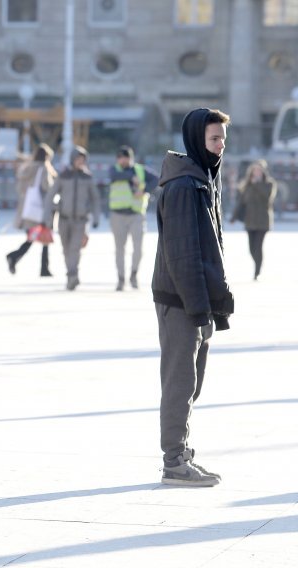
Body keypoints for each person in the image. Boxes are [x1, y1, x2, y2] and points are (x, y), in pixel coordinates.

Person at [153, 108, 234, 486]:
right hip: (181, 299)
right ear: (196, 141)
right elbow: (183, 253)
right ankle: (173, 461)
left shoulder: (201, 178)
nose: (221, 147)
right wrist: (201, 308)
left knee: (191, 383)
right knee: (180, 382)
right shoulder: (185, 186)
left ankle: (181, 452)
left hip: (196, 298)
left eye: (222, 139)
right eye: (214, 139)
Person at [44, 145, 101, 291]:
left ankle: (72, 276)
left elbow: (95, 198)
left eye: (83, 159)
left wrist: (96, 218)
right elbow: (50, 195)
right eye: (78, 159)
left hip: (80, 220)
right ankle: (71, 274)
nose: (80, 162)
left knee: (75, 248)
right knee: (66, 249)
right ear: (72, 159)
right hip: (63, 219)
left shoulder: (88, 177)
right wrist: (48, 218)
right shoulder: (63, 175)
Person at [108, 145, 155, 291]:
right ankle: (121, 279)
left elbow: (157, 179)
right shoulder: (114, 169)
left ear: (131, 158)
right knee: (119, 249)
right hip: (118, 215)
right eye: (121, 158)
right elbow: (115, 176)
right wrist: (130, 176)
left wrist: (144, 191)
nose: (123, 160)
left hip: (136, 214)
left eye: (126, 157)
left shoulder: (140, 170)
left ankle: (133, 275)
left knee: (138, 248)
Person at [7, 143, 57, 278]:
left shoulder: (27, 169)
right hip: (40, 211)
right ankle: (14, 256)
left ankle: (42, 267)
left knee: (35, 237)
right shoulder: (43, 169)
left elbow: (20, 189)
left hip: (28, 211)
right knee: (39, 237)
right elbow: (48, 188)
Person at [231, 159, 277, 280]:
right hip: (250, 221)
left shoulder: (269, 184)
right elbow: (241, 203)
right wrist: (234, 217)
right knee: (251, 249)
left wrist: (257, 184)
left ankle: (257, 271)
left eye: (259, 171)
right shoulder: (247, 185)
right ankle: (257, 265)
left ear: (263, 172)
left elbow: (267, 198)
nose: (256, 173)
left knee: (258, 247)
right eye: (254, 170)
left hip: (263, 222)